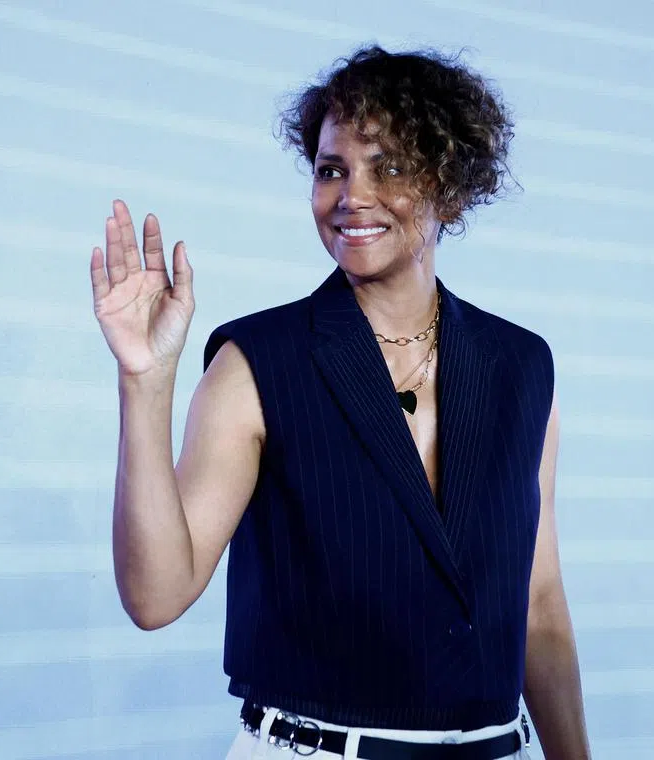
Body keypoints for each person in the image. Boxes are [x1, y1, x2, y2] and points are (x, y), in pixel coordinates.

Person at [90, 46, 590, 760]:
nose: (352, 195)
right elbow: (156, 595)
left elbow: (540, 609)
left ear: (448, 187)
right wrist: (145, 381)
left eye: (387, 166)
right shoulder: (258, 361)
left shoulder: (522, 368)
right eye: (332, 170)